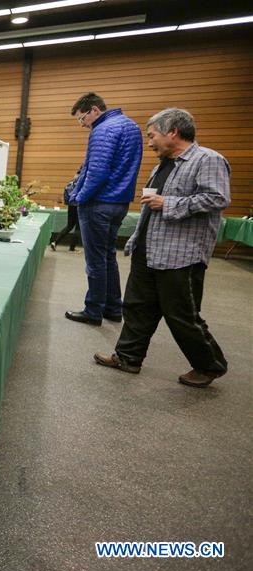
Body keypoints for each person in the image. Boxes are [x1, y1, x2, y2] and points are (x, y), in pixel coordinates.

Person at [94, 108, 230, 387]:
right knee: (136, 307)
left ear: (173, 132)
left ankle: (210, 365)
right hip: (149, 250)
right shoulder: (162, 165)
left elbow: (217, 198)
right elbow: (150, 205)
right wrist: (136, 239)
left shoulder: (208, 160)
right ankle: (127, 358)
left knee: (181, 316)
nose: (149, 142)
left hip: (181, 256)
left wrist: (169, 204)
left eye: (152, 135)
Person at [65, 93, 143, 326]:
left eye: (82, 119)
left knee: (95, 260)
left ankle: (93, 310)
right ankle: (113, 307)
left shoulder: (102, 129)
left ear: (94, 110)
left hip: (98, 204)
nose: (82, 125)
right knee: (108, 256)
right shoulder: (130, 125)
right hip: (119, 203)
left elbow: (97, 172)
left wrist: (79, 197)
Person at [50, 167, 82, 252]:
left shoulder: (75, 177)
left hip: (71, 204)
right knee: (78, 228)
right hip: (79, 205)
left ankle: (55, 242)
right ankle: (72, 248)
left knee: (69, 226)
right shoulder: (84, 178)